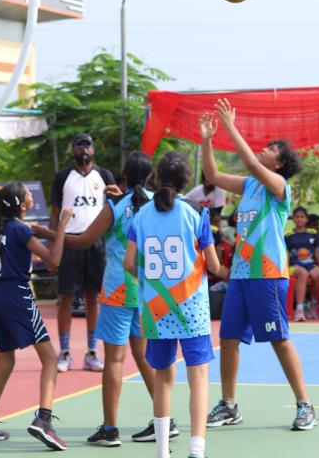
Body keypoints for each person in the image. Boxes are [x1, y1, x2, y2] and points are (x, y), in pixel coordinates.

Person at [200, 98, 317, 432]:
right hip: (241, 274)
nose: (264, 149)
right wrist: (207, 140)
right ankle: (229, 405)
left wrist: (230, 126)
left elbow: (252, 164)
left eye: (271, 149)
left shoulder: (280, 187)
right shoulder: (249, 185)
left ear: (279, 163)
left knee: (279, 339)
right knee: (228, 339)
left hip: (268, 274)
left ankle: (305, 405)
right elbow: (212, 175)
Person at [60, 150, 177, 448]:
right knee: (146, 356)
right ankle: (165, 421)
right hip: (150, 290)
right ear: (151, 176)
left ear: (123, 176)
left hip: (117, 289)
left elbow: (84, 240)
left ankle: (110, 430)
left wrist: (51, 234)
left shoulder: (116, 206)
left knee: (114, 359)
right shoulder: (161, 203)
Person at [124, 152, 220, 458]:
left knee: (163, 378)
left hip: (155, 310)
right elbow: (214, 266)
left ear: (157, 177)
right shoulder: (196, 213)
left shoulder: (141, 215)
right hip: (192, 308)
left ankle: (162, 451)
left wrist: (151, 277)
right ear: (186, 181)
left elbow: (128, 263)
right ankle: (196, 449)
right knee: (198, 377)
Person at [0, 182, 71, 448]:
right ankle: (44, 420)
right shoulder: (20, 229)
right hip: (16, 295)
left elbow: (23, 253)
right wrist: (62, 225)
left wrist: (39, 238)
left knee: (6, 361)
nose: (30, 194)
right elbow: (54, 260)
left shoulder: (1, 227)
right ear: (22, 204)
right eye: (27, 193)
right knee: (50, 358)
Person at [50, 133, 117, 373]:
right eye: (79, 146)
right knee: (66, 298)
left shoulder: (105, 176)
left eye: (87, 146)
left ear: (93, 150)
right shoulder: (62, 177)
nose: (84, 150)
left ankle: (92, 352)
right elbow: (55, 213)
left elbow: (115, 209)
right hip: (69, 241)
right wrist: (52, 246)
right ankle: (65, 352)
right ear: (73, 151)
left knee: (92, 297)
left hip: (96, 243)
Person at [285, 207, 319, 322]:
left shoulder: (313, 233)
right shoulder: (288, 235)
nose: (299, 219)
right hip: (294, 265)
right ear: (293, 219)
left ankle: (313, 303)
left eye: (302, 217)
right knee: (302, 273)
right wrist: (285, 271)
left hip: (310, 264)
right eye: (297, 217)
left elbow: (318, 252)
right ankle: (299, 310)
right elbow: (286, 254)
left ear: (306, 219)